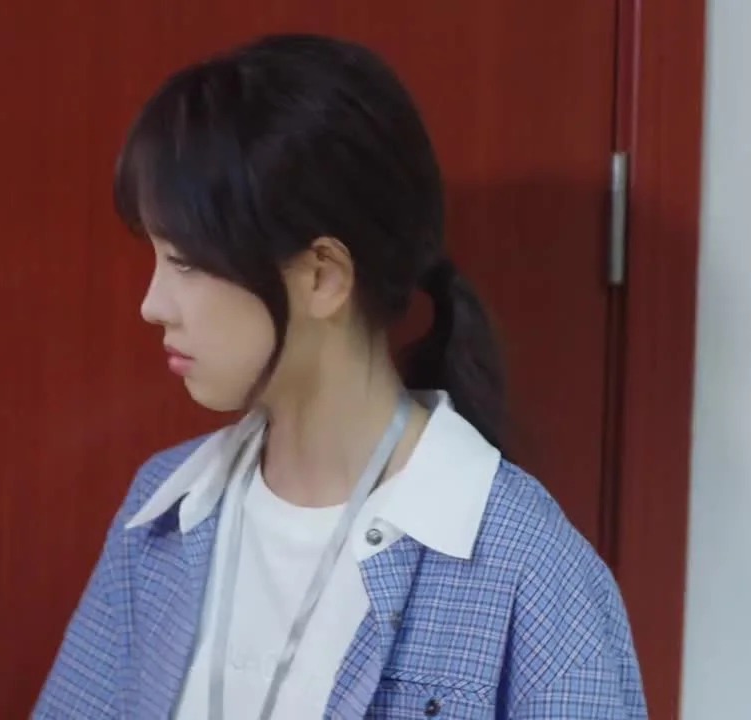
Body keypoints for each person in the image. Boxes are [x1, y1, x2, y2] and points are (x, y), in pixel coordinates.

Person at [33, 33, 646, 719]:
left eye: (186, 263)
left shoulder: (530, 570)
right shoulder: (162, 514)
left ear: (323, 276)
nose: (152, 305)